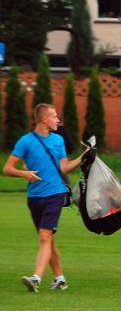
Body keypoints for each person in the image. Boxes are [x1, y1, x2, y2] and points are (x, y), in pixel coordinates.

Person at [3, 103, 89, 292]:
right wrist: (24, 174)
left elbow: (64, 168)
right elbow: (7, 168)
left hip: (55, 194)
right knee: (48, 239)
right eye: (54, 116)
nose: (58, 120)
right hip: (34, 197)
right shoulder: (25, 141)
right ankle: (60, 279)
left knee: (44, 236)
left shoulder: (58, 140)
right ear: (44, 119)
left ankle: (36, 279)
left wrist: (84, 157)